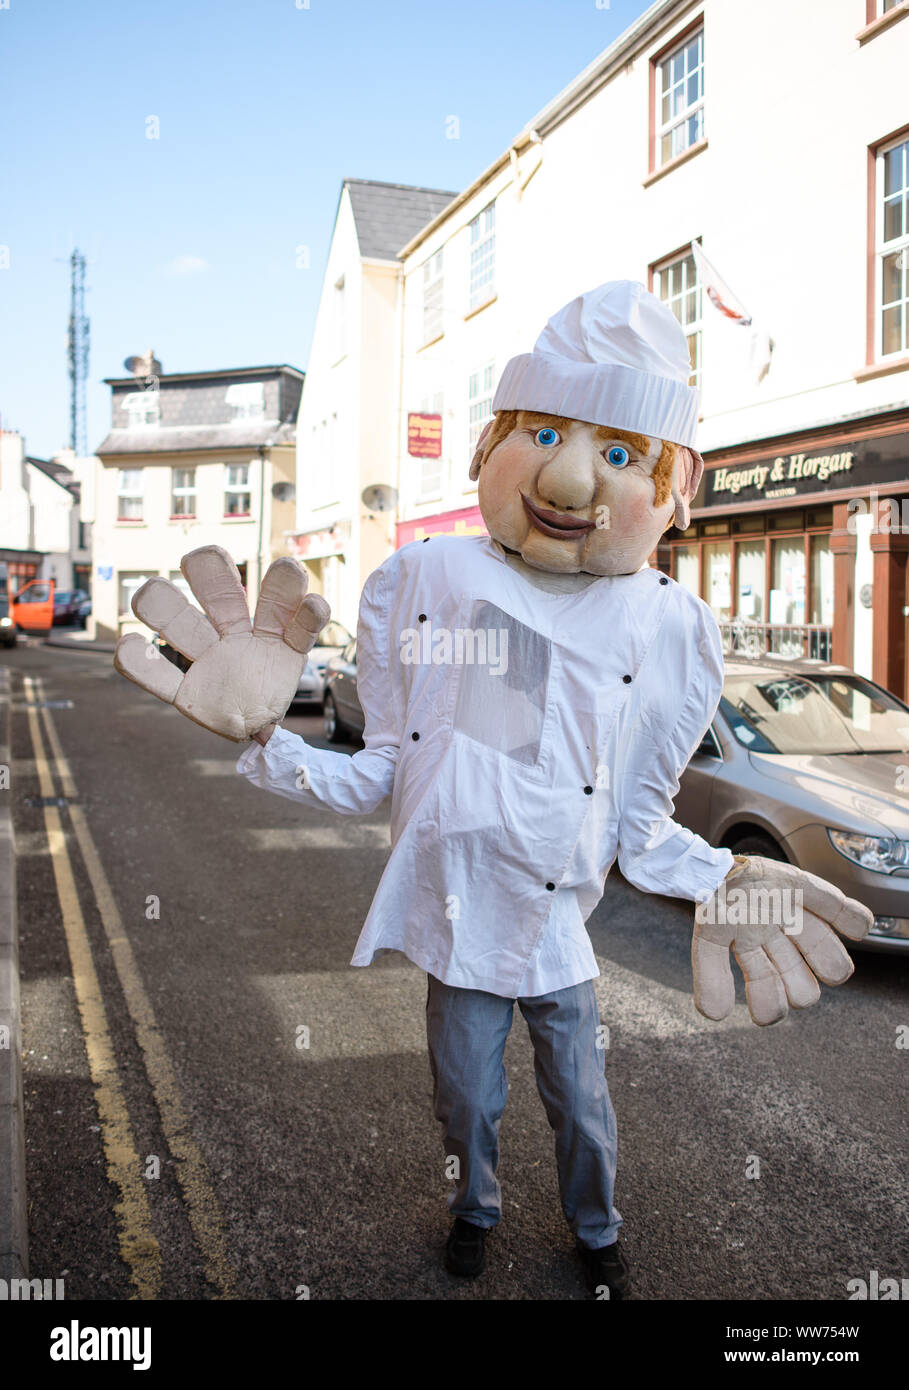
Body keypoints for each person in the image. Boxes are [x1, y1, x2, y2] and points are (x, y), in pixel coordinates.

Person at [114, 281, 871, 1299]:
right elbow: (385, 771)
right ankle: (474, 1209)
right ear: (492, 445)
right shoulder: (435, 582)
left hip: (559, 938)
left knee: (584, 1107)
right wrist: (263, 738)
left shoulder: (661, 623)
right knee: (465, 1103)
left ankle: (596, 1234)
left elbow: (640, 828)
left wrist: (735, 878)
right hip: (461, 931)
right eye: (546, 432)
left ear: (673, 486)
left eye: (618, 454)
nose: (569, 478)